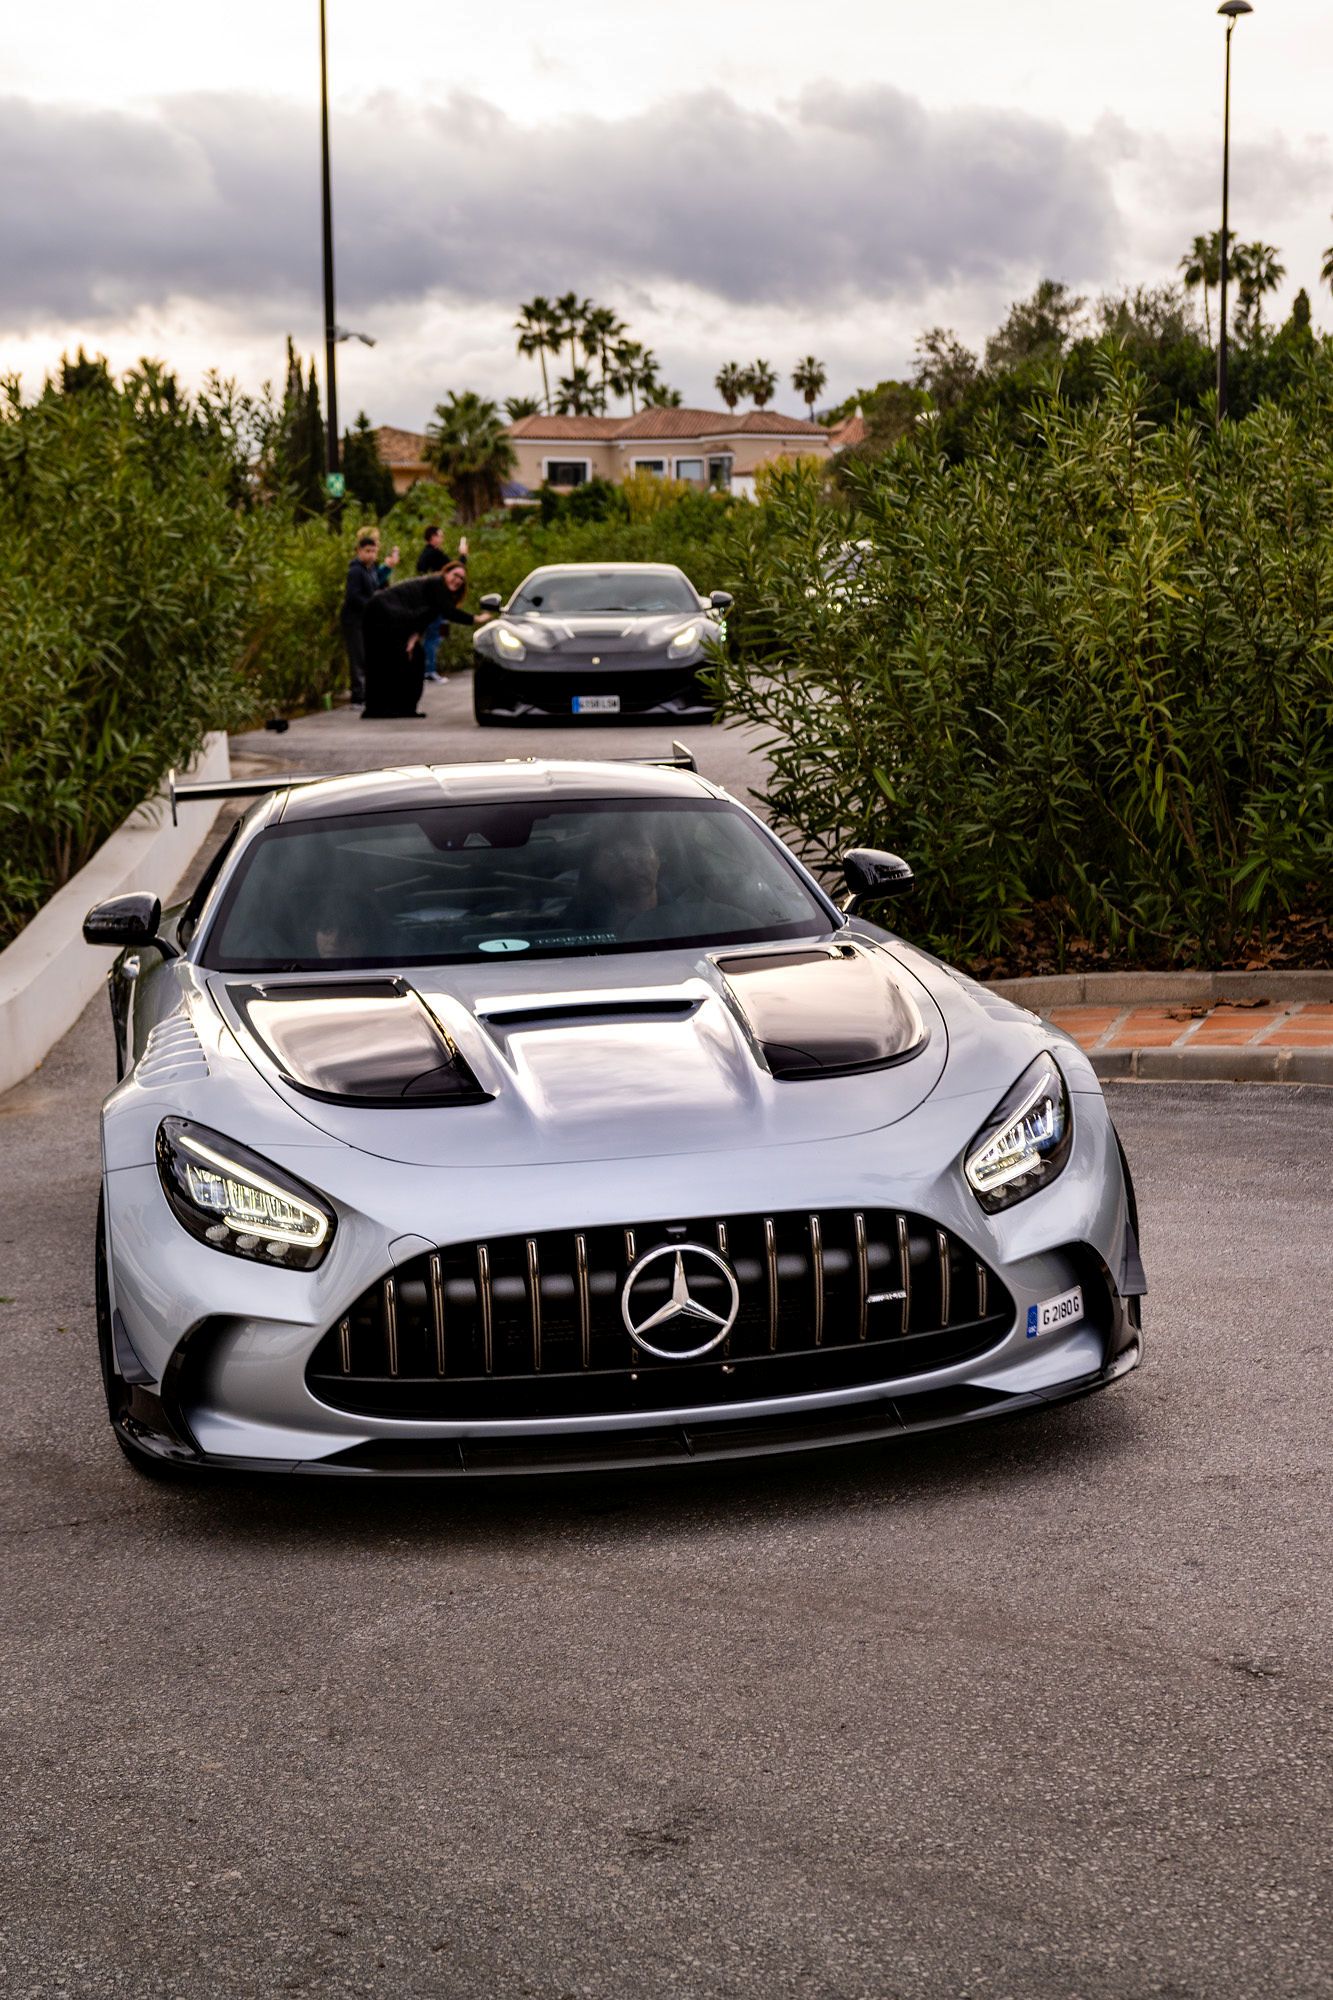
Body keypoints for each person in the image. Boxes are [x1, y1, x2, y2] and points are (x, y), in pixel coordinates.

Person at [360, 551, 490, 718]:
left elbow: (425, 618)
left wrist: (413, 637)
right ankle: (382, 708)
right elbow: (448, 612)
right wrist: (476, 619)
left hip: (395, 617)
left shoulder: (437, 592)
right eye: (455, 575)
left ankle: (400, 708)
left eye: (462, 579)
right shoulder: (437, 584)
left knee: (411, 657)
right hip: (382, 613)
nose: (458, 580)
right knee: (387, 660)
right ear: (445, 573)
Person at [340, 529, 399, 704]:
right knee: (358, 656)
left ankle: (369, 692)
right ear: (359, 551)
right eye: (367, 551)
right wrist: (371, 605)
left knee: (368, 655)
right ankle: (358, 695)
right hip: (354, 620)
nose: (371, 555)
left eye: (373, 551)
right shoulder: (355, 571)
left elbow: (378, 585)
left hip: (366, 620)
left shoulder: (371, 569)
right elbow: (353, 596)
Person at [416, 524, 447, 684]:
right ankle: (429, 670)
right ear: (433, 537)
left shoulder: (425, 554)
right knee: (433, 635)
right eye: (440, 536)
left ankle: (429, 669)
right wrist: (463, 555)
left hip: (429, 600)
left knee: (435, 634)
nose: (442, 539)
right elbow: (454, 568)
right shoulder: (434, 554)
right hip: (435, 601)